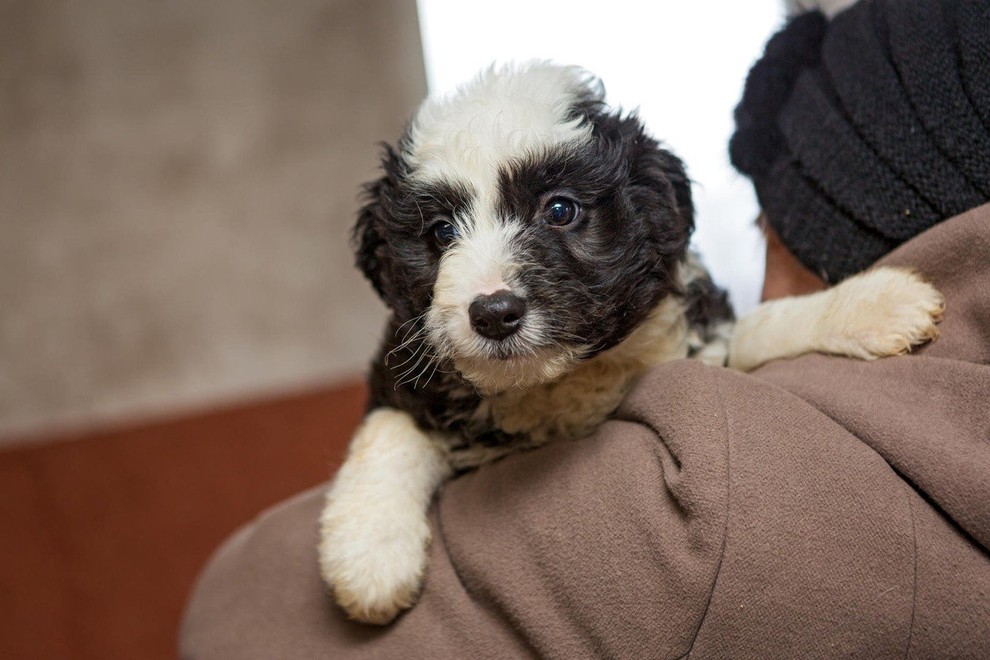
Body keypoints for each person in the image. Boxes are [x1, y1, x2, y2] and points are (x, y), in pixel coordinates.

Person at [180, 0, 990, 656]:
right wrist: (392, 457)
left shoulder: (723, 507)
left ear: (655, 215)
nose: (493, 290)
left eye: (561, 212)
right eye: (439, 236)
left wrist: (825, 315)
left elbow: (229, 616)